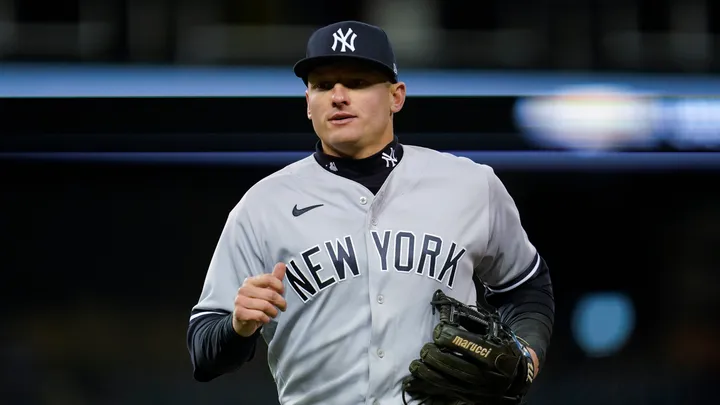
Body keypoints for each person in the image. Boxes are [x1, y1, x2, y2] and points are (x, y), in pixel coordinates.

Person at [186, 20, 555, 405]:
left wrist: (527, 357)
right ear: (307, 101)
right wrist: (236, 327)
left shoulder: (470, 185)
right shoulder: (263, 205)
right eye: (323, 85)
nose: (339, 96)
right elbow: (203, 351)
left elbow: (526, 285)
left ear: (396, 96)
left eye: (358, 83)